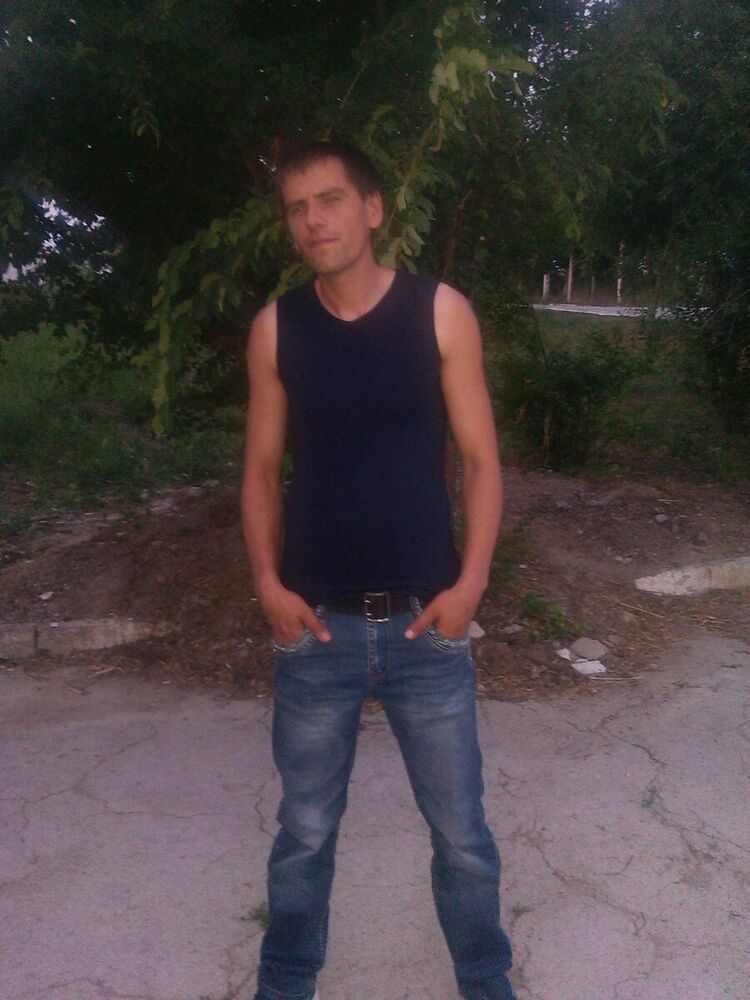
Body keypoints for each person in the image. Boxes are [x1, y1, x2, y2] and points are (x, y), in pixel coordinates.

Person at [241, 139, 515, 1000]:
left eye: (329, 200)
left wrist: (471, 584)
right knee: (304, 836)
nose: (312, 220)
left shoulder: (440, 313)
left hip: (426, 626)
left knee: (463, 838)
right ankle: (285, 985)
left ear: (372, 209)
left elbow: (482, 461)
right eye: (297, 207)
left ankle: (486, 983)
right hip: (314, 629)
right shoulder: (277, 327)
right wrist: (268, 584)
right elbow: (260, 469)